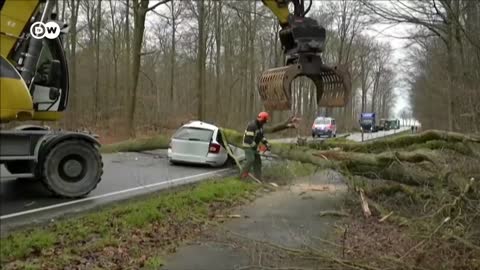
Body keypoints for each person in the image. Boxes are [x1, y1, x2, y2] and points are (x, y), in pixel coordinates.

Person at [240, 112, 271, 181]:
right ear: (262, 120)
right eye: (264, 121)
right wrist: (257, 148)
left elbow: (261, 137)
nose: (264, 123)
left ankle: (258, 177)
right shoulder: (252, 126)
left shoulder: (260, 127)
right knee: (251, 159)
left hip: (253, 146)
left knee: (258, 162)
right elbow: (248, 139)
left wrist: (266, 143)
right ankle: (242, 175)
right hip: (247, 145)